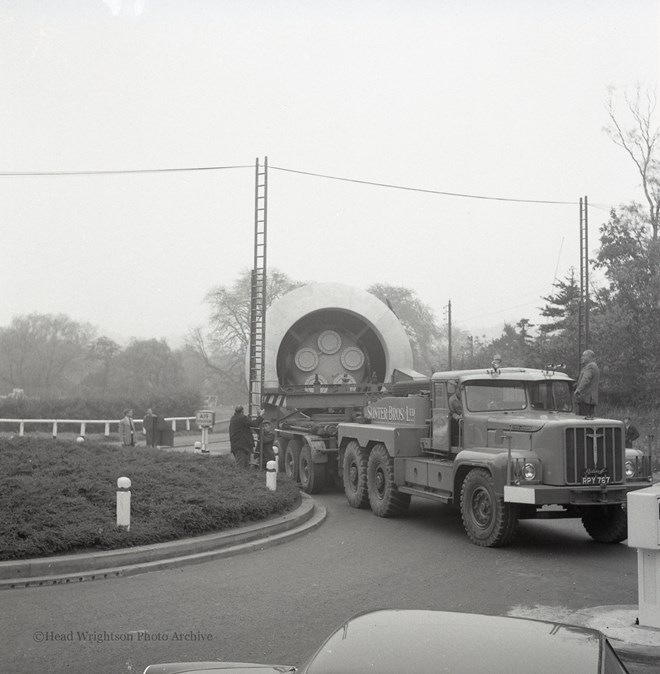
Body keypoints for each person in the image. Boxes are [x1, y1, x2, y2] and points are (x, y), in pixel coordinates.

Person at [574, 349, 600, 418]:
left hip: (586, 399)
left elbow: (586, 379)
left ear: (590, 357)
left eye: (584, 356)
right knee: (590, 421)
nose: (582, 358)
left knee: (582, 421)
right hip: (590, 400)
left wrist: (578, 390)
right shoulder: (594, 367)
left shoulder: (590, 366)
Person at [448, 382, 463, 446]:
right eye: (459, 390)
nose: (460, 392)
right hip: (457, 417)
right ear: (456, 390)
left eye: (462, 390)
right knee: (453, 423)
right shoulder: (451, 399)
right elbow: (452, 412)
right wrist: (457, 417)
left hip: (466, 415)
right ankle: (454, 442)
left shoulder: (467, 397)